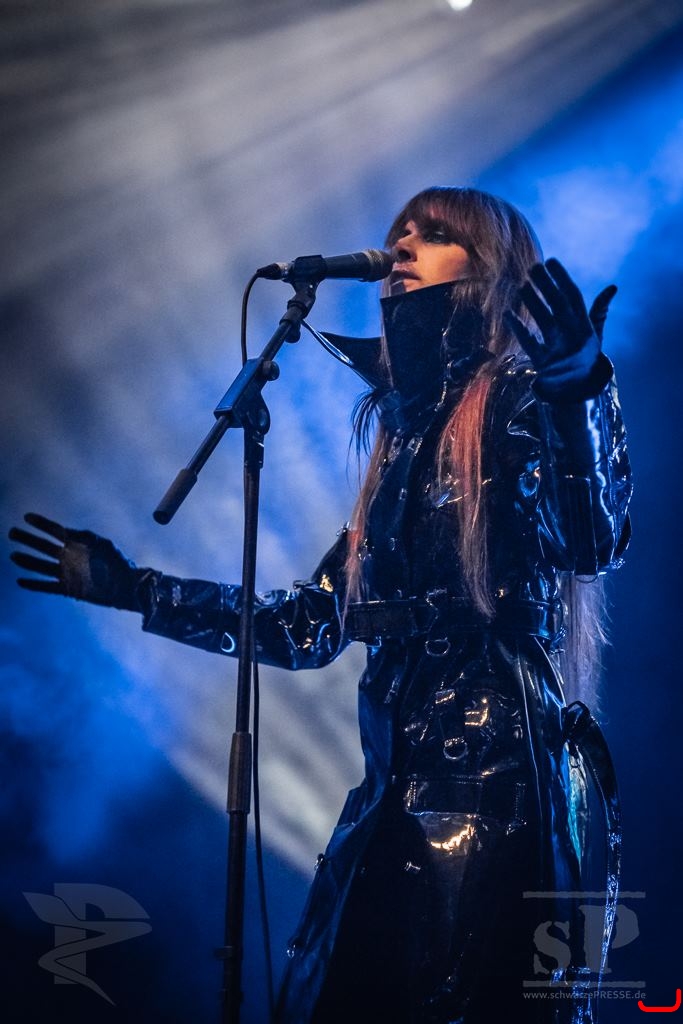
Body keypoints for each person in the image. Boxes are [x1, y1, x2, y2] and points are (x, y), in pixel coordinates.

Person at [9, 186, 632, 1023]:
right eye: (399, 232)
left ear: (488, 270)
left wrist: (575, 388)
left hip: (493, 798)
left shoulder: (522, 399)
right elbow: (308, 626)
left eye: (434, 234)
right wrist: (137, 591)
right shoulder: (402, 437)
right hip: (387, 801)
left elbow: (593, 543)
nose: (402, 245)